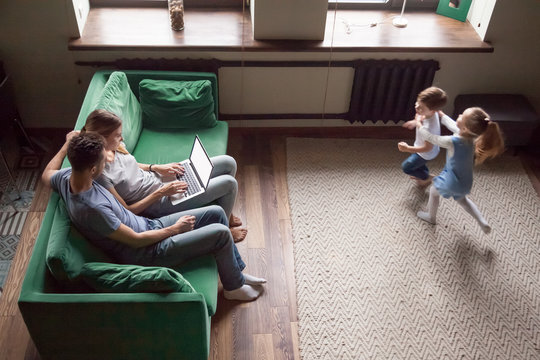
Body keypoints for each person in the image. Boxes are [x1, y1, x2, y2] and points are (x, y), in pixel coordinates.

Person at [42, 132, 266, 301]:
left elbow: (45, 174)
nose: (108, 161)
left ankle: (236, 274)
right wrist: (175, 228)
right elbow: (135, 241)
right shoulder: (92, 209)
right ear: (92, 169)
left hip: (149, 224)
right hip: (148, 252)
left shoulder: (66, 178)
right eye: (103, 160)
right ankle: (232, 289)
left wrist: (66, 145)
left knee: (217, 213)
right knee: (220, 234)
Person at [81, 109, 247, 242]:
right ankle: (226, 231)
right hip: (159, 201)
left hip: (161, 180)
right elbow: (128, 211)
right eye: (117, 135)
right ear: (101, 139)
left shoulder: (114, 147)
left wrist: (156, 167)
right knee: (229, 184)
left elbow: (130, 166)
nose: (122, 138)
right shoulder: (101, 173)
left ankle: (227, 211)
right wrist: (162, 192)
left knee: (228, 162)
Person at [416, 107, 505, 234]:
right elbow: (454, 126)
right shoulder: (473, 138)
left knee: (433, 191)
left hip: (451, 180)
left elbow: (432, 138)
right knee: (463, 201)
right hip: (465, 181)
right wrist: (442, 115)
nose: (459, 114)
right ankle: (482, 221)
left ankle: (431, 216)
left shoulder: (452, 141)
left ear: (465, 128)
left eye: (461, 116)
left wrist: (419, 125)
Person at [398, 87, 447, 186]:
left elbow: (427, 148)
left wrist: (408, 148)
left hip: (426, 153)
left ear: (433, 110)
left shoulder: (429, 128)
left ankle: (426, 177)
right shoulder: (432, 113)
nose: (416, 107)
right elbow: (423, 118)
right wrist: (415, 122)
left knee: (406, 167)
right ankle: (422, 173)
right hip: (429, 149)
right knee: (418, 164)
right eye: (417, 103)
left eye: (421, 108)